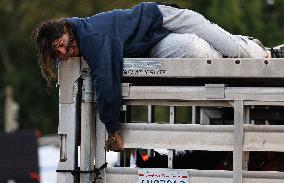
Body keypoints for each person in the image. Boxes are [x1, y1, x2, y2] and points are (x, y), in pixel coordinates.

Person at [34, 2, 283, 152]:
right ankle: (247, 63)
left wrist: (113, 130)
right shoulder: (82, 37)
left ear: (67, 30)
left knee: (228, 45)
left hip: (162, 18)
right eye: (59, 54)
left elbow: (106, 83)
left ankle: (267, 52)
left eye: (63, 45)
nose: (66, 52)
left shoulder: (91, 39)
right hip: (154, 43)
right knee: (202, 53)